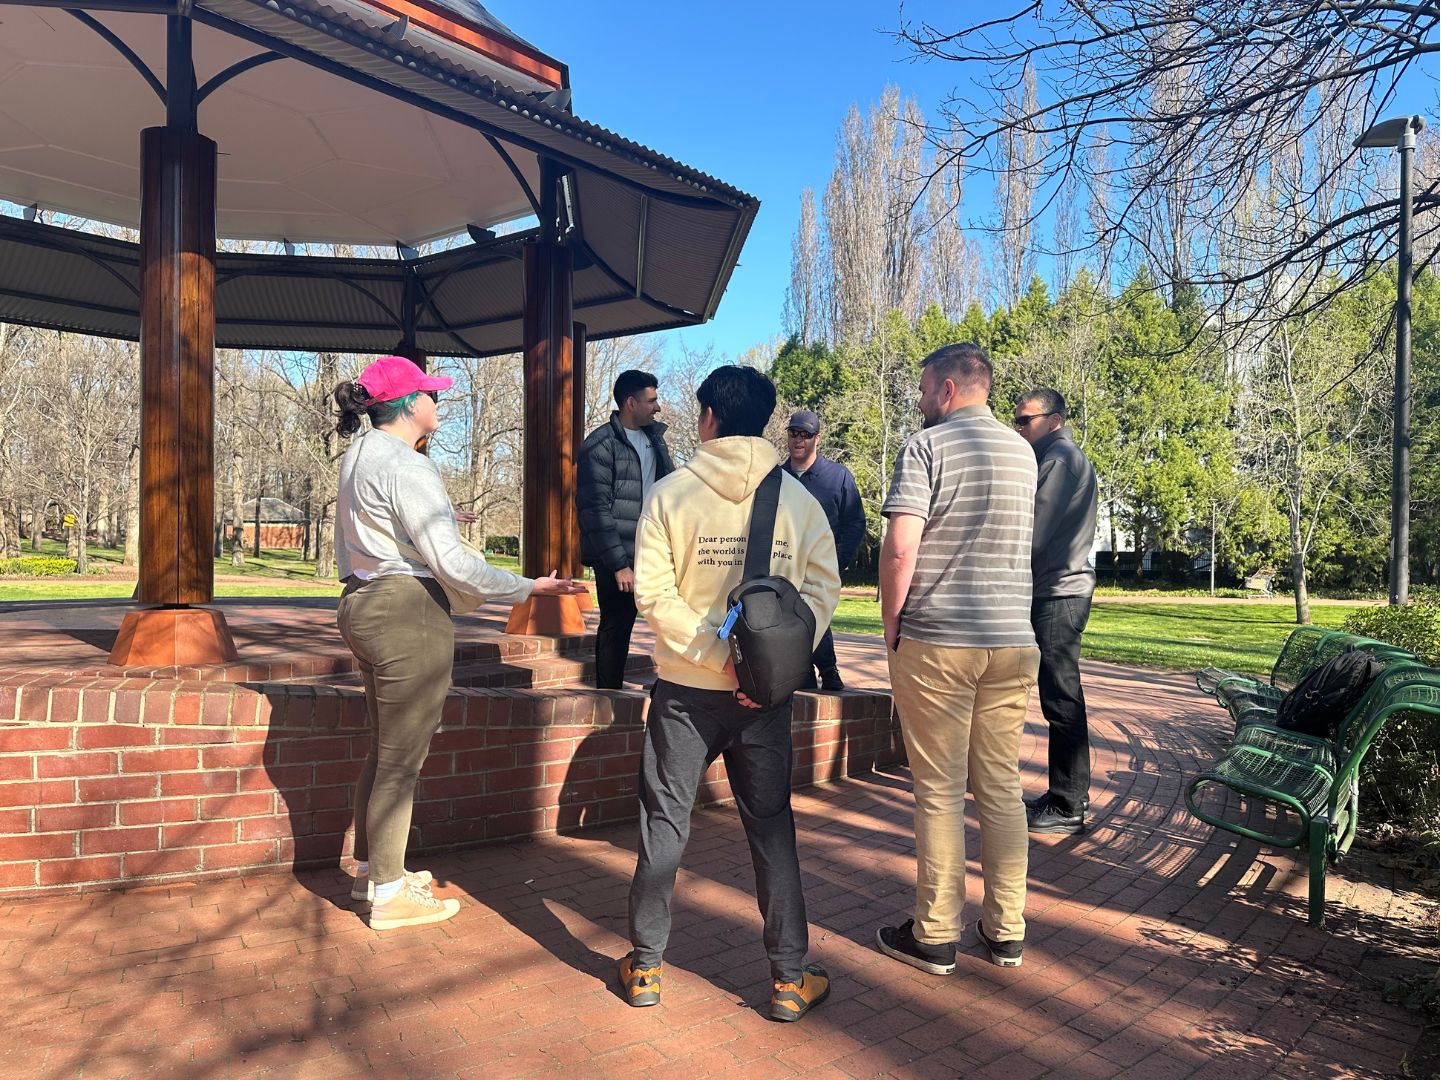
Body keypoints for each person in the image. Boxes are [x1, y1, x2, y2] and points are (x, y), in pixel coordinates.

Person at [333, 355, 585, 931]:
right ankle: (389, 895)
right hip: (406, 614)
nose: (438, 403)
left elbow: (389, 539)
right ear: (408, 405)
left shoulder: (359, 456)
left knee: (383, 748)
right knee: (402, 760)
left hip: (363, 604)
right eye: (431, 394)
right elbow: (451, 563)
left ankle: (375, 873)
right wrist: (530, 585)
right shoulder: (408, 465)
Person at [620, 366, 841, 1022]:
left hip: (685, 690)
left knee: (664, 821)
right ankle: (786, 977)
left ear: (709, 418)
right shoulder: (798, 503)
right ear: (767, 421)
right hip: (762, 699)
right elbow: (823, 592)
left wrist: (717, 657)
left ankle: (645, 967)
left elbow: (654, 595)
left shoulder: (670, 494)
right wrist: (764, 667)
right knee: (771, 828)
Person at [874, 343, 1041, 975]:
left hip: (940, 639)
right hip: (1012, 641)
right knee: (1000, 789)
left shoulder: (927, 446)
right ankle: (1006, 931)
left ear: (946, 390)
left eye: (923, 390)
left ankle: (936, 934)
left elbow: (898, 548)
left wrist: (893, 624)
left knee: (939, 792)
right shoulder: (1023, 452)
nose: (919, 402)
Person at [1012, 388, 1099, 835]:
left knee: (1061, 698)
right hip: (1055, 592)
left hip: (1058, 595)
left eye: (1025, 421)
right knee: (1059, 696)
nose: (1018, 428)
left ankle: (1068, 803)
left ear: (1056, 420)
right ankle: (1064, 795)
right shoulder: (1054, 459)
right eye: (1017, 421)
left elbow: (1033, 532)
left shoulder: (1059, 460)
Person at [577, 370, 675, 689]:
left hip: (654, 550)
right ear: (630, 403)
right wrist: (619, 565)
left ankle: (673, 683)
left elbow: (670, 491)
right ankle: (609, 694)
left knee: (672, 616)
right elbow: (594, 510)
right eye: (652, 400)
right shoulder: (600, 445)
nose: (657, 407)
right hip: (618, 555)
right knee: (616, 626)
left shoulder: (654, 440)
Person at [781, 410, 866, 691]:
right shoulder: (776, 478)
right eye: (794, 433)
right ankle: (804, 673)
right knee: (791, 620)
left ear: (818, 438)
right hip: (784, 567)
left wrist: (835, 562)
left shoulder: (838, 477)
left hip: (822, 567)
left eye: (805, 434)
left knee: (815, 615)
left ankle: (828, 670)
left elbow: (854, 523)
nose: (798, 440)